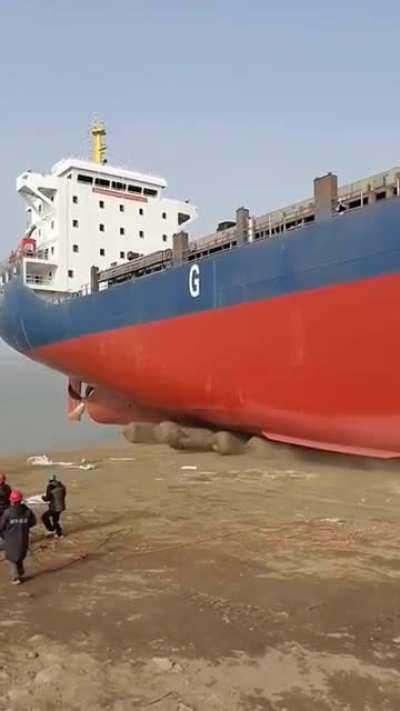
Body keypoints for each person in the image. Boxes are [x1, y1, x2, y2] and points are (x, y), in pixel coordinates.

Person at [0, 490, 37, 584]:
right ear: (21, 500)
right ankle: (20, 573)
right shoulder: (27, 511)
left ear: (11, 500)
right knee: (20, 555)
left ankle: (16, 578)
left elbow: (1, 526)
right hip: (23, 538)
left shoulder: (8, 512)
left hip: (10, 539)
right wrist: (23, 526)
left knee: (12, 558)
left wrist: (4, 535)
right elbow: (33, 522)